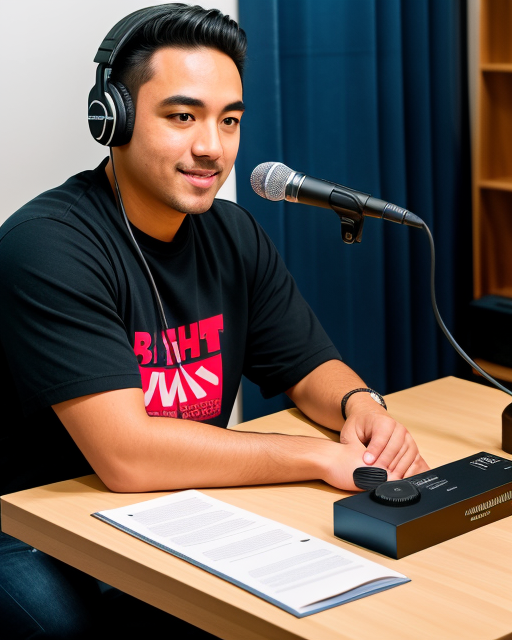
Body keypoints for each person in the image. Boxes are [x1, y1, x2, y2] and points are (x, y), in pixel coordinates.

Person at [0, 4, 429, 638]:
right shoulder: (46, 245)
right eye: (182, 116)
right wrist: (316, 457)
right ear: (111, 119)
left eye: (229, 120)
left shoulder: (232, 233)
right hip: (34, 526)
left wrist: (358, 403)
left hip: (175, 514)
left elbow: (308, 364)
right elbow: (127, 456)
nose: (212, 147)